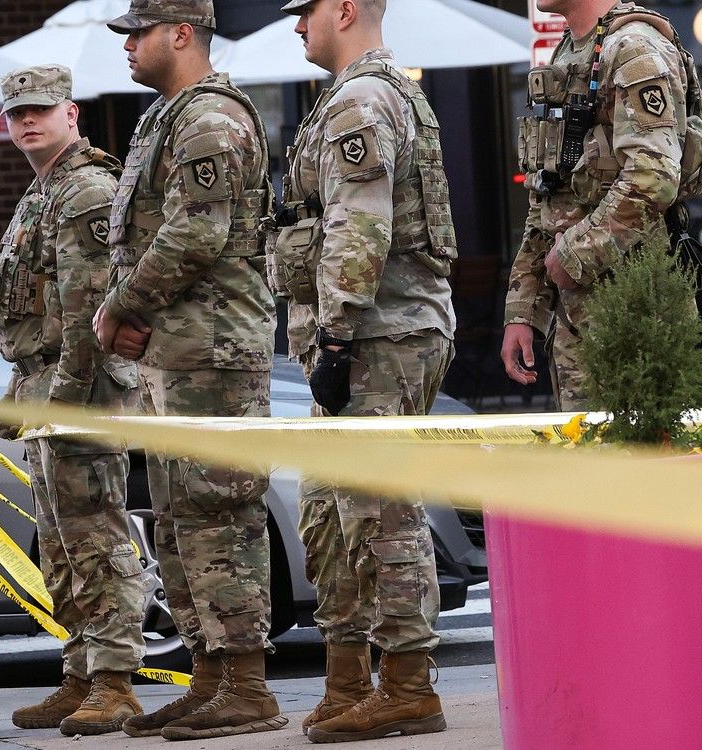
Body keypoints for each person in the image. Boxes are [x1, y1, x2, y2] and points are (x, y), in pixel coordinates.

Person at [92, 0, 286, 740]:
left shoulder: (209, 119)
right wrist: (133, 314)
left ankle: (247, 685)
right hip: (176, 352)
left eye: (138, 33)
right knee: (177, 521)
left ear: (181, 34)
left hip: (215, 352)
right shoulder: (163, 119)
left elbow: (196, 233)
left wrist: (122, 304)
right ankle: (209, 677)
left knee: (220, 514)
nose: (127, 46)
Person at [269, 0, 457, 742]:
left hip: (380, 334)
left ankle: (408, 685)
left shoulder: (363, 100)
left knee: (381, 510)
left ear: (344, 10)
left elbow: (359, 227)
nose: (296, 26)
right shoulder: (358, 95)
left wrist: (337, 340)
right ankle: (349, 681)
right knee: (328, 510)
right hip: (370, 332)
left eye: (306, 11)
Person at [0, 64, 147, 737]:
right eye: (16, 114)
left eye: (40, 110)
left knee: (95, 539)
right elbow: (33, 308)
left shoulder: (84, 192)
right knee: (61, 545)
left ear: (71, 114)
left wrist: (66, 402)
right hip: (45, 388)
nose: (27, 122)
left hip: (80, 392)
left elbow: (86, 318)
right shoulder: (43, 191)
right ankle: (80, 673)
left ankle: (115, 682)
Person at [502, 0, 700, 410]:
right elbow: (549, 192)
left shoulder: (633, 47)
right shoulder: (572, 50)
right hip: (579, 315)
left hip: (635, 312)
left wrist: (574, 254)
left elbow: (654, 178)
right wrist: (524, 308)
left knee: (637, 448)